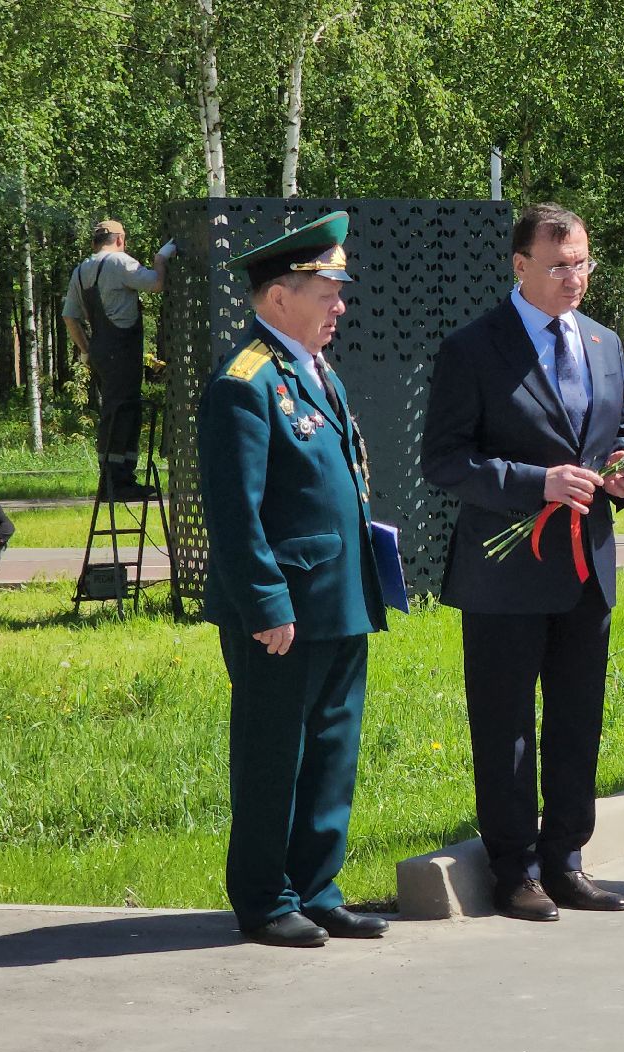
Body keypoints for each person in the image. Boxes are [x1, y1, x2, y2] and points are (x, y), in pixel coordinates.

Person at [422, 204, 624, 921]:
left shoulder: (604, 342)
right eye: (559, 265)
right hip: (506, 571)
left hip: (587, 564)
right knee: (507, 725)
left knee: (579, 718)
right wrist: (533, 483)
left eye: (582, 263)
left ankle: (567, 859)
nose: (574, 277)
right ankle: (514, 868)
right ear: (520, 267)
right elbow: (445, 461)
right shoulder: (473, 348)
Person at [198, 211, 388, 947]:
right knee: (275, 754)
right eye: (328, 290)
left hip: (339, 599)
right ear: (280, 297)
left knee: (332, 751)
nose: (340, 305)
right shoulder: (243, 382)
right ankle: (265, 897)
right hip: (282, 610)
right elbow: (234, 511)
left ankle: (316, 887)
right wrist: (266, 602)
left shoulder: (314, 370)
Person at [62, 219, 175, 501]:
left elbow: (69, 317)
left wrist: (86, 350)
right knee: (123, 410)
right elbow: (156, 283)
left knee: (116, 410)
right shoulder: (119, 262)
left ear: (94, 241)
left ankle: (115, 478)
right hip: (122, 349)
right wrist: (160, 258)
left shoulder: (80, 271)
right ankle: (118, 482)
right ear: (120, 239)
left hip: (100, 348)